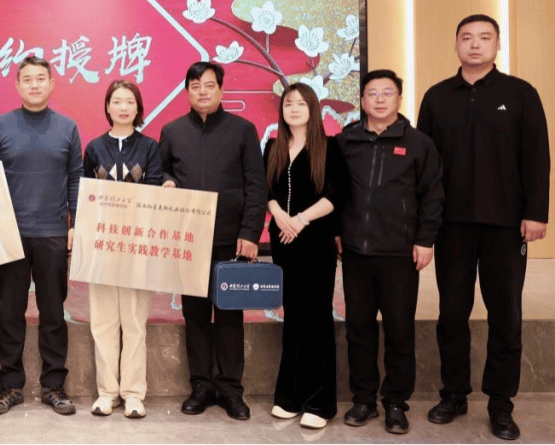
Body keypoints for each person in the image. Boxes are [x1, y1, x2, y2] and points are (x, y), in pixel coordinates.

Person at [417, 14, 549, 441]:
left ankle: (500, 403)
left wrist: (536, 213)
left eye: (484, 38)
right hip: (451, 226)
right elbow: (424, 167)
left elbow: (537, 158)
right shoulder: (437, 97)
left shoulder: (521, 93)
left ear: (497, 45)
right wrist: (424, 224)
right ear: (456, 44)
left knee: (505, 315)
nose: (475, 45)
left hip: (506, 226)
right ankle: (453, 394)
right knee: (451, 314)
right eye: (467, 38)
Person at [336, 69, 443, 435]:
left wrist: (425, 239)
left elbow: (433, 195)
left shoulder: (418, 143)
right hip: (355, 252)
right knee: (359, 329)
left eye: (387, 92)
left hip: (399, 253)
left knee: (399, 331)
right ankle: (363, 399)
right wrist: (337, 232)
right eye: (372, 93)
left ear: (399, 97)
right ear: (362, 100)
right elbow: (333, 192)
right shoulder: (346, 141)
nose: (379, 99)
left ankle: (395, 402)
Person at [159, 61, 265, 421]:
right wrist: (167, 181)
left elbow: (256, 185)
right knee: (196, 317)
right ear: (187, 91)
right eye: (195, 86)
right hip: (190, 241)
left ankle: (231, 390)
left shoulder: (243, 130)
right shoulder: (173, 131)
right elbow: (163, 171)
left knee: (230, 317)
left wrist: (250, 233)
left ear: (221, 89)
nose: (202, 91)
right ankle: (201, 386)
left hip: (231, 242)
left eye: (208, 85)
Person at [0, 55, 82, 416]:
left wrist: (75, 224)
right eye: (27, 79)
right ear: (17, 85)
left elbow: (76, 178)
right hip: (11, 237)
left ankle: (54, 386)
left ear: (52, 83)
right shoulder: (0, 126)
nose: (35, 84)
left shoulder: (67, 127)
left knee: (53, 314)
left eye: (41, 78)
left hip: (53, 234)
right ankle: (10, 386)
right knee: (10, 314)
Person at [263, 83, 346, 429]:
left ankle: (320, 403)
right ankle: (290, 397)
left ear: (313, 108)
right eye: (288, 103)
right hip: (283, 241)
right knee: (293, 317)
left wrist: (299, 219)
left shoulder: (330, 146)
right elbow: (266, 190)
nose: (293, 109)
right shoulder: (273, 146)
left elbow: (336, 194)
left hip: (316, 241)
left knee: (317, 319)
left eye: (300, 103)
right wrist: (279, 215)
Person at [83, 80, 163, 419]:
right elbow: (86, 196)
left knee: (133, 323)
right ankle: (107, 393)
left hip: (137, 247)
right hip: (101, 247)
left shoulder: (149, 147)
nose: (123, 107)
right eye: (116, 101)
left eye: (129, 101)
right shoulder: (94, 148)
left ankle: (133, 394)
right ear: (107, 107)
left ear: (138, 107)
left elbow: (154, 191)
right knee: (103, 322)